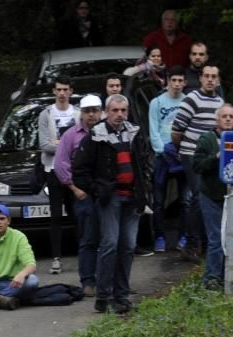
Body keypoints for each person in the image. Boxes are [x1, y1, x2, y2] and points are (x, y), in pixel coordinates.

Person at [72, 93, 150, 314]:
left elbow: (144, 163)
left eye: (123, 110)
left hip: (132, 197)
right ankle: (103, 295)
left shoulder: (134, 132)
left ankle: (121, 296)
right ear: (106, 112)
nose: (119, 115)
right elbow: (79, 170)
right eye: (115, 110)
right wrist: (97, 190)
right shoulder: (96, 135)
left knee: (128, 247)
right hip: (111, 198)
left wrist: (145, 190)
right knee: (110, 244)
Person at [171, 64, 223, 259]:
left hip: (212, 157)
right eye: (207, 76)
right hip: (191, 153)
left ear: (218, 80)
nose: (210, 79)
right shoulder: (191, 99)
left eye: (214, 76)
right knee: (198, 195)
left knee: (207, 196)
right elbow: (176, 131)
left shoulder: (220, 102)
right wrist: (183, 151)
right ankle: (192, 242)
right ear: (201, 79)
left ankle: (207, 242)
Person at [54, 93, 102, 295]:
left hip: (106, 194)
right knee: (88, 239)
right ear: (81, 113)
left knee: (109, 239)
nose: (91, 115)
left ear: (101, 112)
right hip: (84, 194)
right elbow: (60, 164)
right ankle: (88, 281)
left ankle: (107, 279)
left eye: (95, 111)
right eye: (87, 111)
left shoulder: (107, 132)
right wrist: (74, 188)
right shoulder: (71, 135)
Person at [192, 104, 233, 290]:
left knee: (231, 238)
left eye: (231, 116)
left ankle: (228, 278)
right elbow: (197, 165)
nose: (228, 119)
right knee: (215, 239)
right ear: (217, 119)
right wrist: (216, 157)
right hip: (210, 194)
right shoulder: (206, 139)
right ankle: (211, 279)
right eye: (224, 116)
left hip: (232, 196)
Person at [37, 74, 79, 275]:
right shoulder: (46, 114)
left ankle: (83, 254)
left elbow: (82, 144)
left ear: (71, 91)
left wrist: (59, 145)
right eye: (59, 89)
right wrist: (67, 145)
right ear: (54, 91)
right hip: (52, 170)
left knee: (78, 213)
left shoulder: (78, 114)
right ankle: (56, 258)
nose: (62, 93)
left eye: (65, 89)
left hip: (74, 170)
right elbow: (44, 144)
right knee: (55, 216)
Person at [147, 66, 187, 252]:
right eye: (174, 80)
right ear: (168, 81)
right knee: (158, 199)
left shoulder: (188, 102)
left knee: (185, 199)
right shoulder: (156, 102)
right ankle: (160, 236)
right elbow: (153, 130)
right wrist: (163, 150)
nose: (177, 84)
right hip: (162, 154)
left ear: (184, 82)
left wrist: (182, 150)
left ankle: (184, 236)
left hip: (181, 154)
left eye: (180, 81)